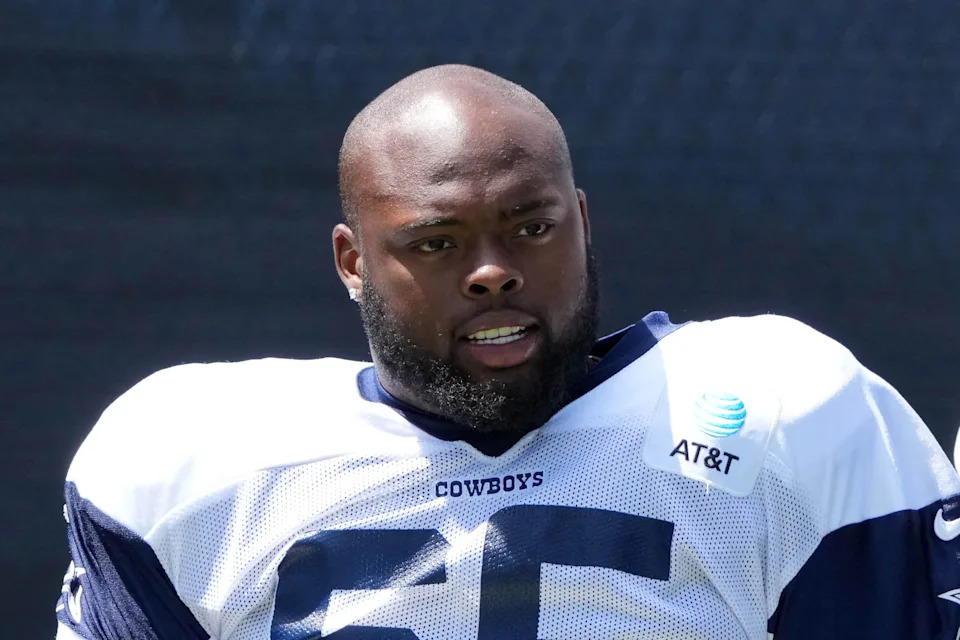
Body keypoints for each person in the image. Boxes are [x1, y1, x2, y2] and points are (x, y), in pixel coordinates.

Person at [55, 64, 960, 639]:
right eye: (437, 242)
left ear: (584, 223)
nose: (493, 273)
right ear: (353, 261)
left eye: (531, 227)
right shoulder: (185, 465)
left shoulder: (782, 409)